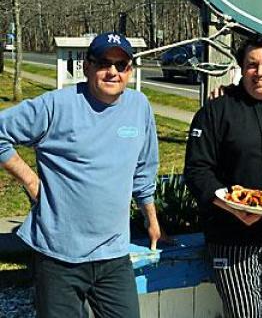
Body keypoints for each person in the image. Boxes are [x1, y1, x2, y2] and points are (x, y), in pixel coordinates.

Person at [0, 31, 165, 318]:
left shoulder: (139, 107)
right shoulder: (56, 105)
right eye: (103, 62)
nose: (112, 71)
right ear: (87, 66)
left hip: (114, 255)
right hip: (58, 256)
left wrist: (151, 220)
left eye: (121, 65)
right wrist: (30, 180)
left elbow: (144, 169)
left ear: (130, 70)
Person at [184, 34, 262, 318]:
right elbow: (196, 170)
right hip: (230, 236)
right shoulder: (216, 111)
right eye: (252, 65)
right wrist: (229, 205)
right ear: (241, 68)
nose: (260, 72)